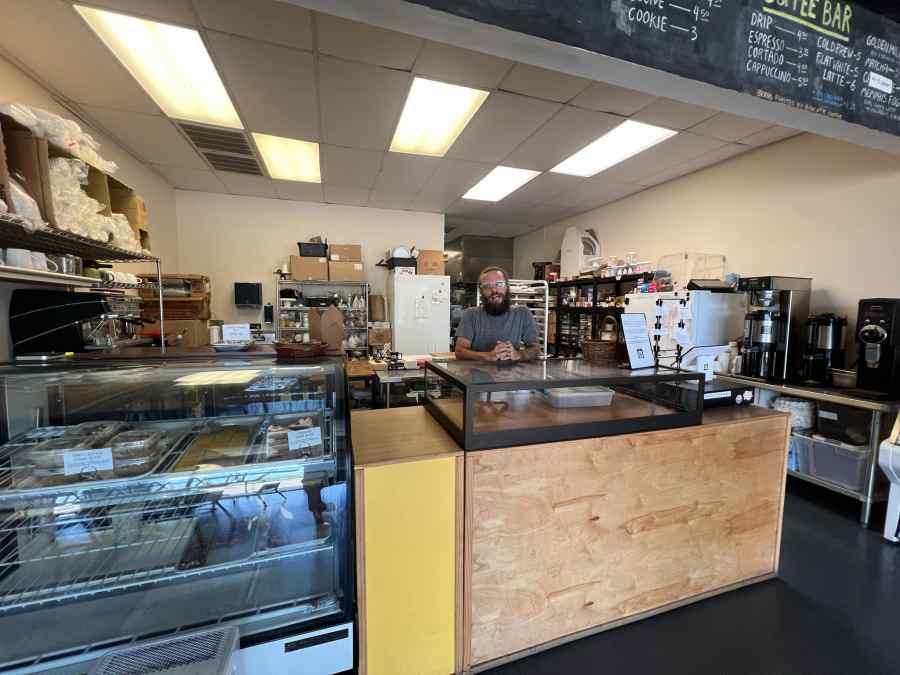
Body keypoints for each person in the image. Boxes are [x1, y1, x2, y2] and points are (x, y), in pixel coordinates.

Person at [455, 266, 540, 362]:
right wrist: (488, 356)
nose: (494, 290)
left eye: (499, 284)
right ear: (481, 291)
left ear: (507, 287)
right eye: (487, 286)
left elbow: (536, 350)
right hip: (476, 371)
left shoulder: (522, 313)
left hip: (512, 371)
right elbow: (459, 352)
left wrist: (518, 355)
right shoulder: (471, 315)